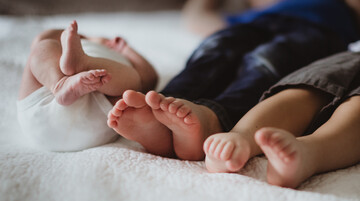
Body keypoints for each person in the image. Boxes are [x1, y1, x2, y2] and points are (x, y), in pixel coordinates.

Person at [107, 0, 360, 160]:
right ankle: (164, 111)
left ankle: (212, 118)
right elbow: (196, 18)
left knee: (266, 62)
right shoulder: (248, 16)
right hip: (245, 28)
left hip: (316, 31)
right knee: (214, 49)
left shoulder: (334, 8)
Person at [204, 50, 360, 188]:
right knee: (309, 86)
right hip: (352, 54)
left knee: (355, 109)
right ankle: (242, 135)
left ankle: (309, 152)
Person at [17, 20, 158, 151]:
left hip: (43, 124)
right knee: (42, 47)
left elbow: (150, 77)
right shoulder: (75, 43)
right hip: (55, 96)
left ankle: (77, 69)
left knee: (134, 81)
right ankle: (60, 82)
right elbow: (42, 39)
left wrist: (125, 49)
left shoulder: (121, 58)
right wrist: (80, 38)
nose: (112, 41)